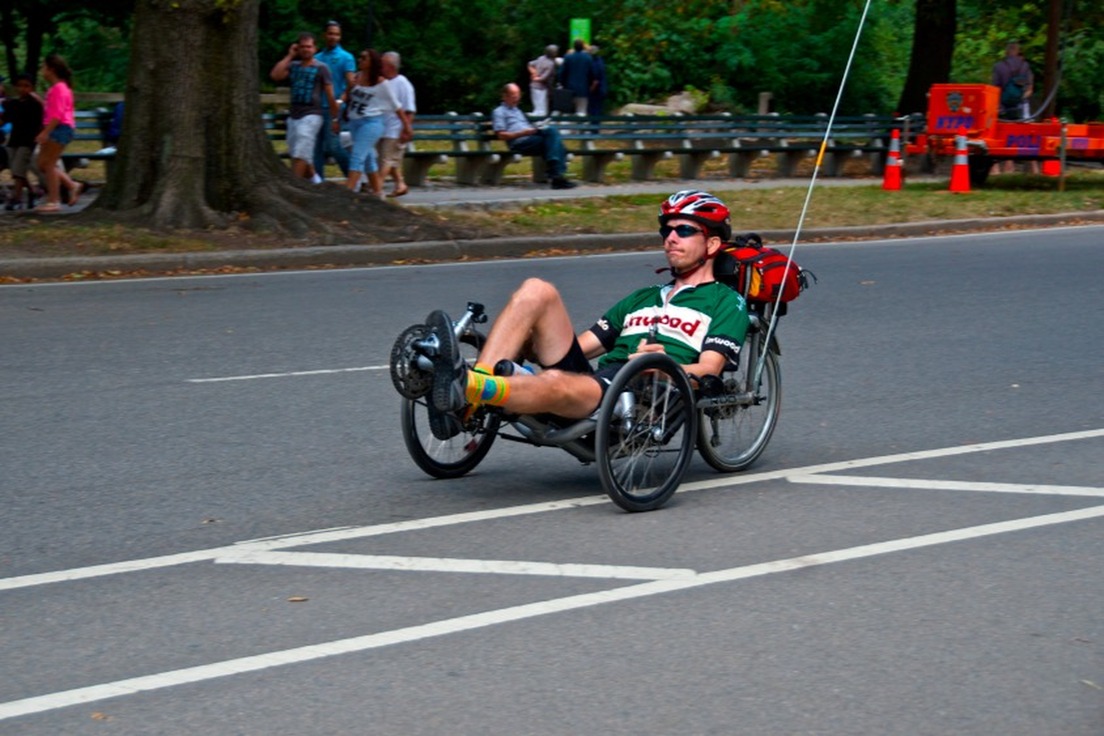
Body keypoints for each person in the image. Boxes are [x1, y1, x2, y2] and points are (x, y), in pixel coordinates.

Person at [417, 190, 750, 440]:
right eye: (667, 231)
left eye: (685, 230)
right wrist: (527, 340)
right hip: (598, 382)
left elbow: (708, 371)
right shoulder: (643, 298)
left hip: (637, 394)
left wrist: (665, 367)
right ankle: (470, 397)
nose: (671, 238)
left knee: (553, 382)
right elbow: (582, 347)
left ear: (711, 245)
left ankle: (470, 384)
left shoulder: (726, 301)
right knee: (537, 289)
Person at [269, 32, 339, 182]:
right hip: (294, 115)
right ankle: (316, 182)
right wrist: (289, 56)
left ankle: (293, 184)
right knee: (298, 153)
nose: (306, 49)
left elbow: (330, 95)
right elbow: (275, 75)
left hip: (312, 115)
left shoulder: (322, 68)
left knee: (301, 150)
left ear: (315, 48)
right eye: (302, 47)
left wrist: (334, 118)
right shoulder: (293, 66)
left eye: (309, 46)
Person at [344, 48, 407, 197]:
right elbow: (347, 95)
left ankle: (346, 194)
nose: (360, 60)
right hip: (355, 122)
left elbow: (396, 106)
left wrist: (407, 126)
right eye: (360, 57)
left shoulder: (381, 83)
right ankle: (378, 193)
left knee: (357, 156)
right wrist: (345, 94)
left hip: (371, 123)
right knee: (368, 159)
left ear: (372, 63)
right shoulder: (357, 77)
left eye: (363, 58)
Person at [491, 82, 575, 189]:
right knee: (555, 143)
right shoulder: (499, 112)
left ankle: (556, 176)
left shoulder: (518, 111)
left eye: (518, 95)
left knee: (551, 131)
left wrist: (535, 128)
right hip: (519, 142)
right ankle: (557, 176)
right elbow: (501, 135)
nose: (516, 98)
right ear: (504, 96)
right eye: (513, 96)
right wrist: (522, 133)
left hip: (531, 138)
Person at [34, 54, 83, 212]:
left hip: (60, 129)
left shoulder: (60, 89)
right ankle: (72, 185)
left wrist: (45, 133)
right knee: (43, 163)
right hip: (57, 128)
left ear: (51, 69)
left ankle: (54, 201)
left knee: (48, 164)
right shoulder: (57, 89)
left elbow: (58, 115)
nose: (42, 70)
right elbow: (52, 110)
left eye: (43, 67)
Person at [313, 20, 355, 179]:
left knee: (333, 145)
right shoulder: (317, 57)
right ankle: (318, 183)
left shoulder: (346, 57)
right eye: (330, 33)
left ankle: (353, 177)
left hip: (334, 107)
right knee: (316, 148)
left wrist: (341, 101)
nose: (333, 37)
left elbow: (350, 82)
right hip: (316, 107)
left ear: (340, 36)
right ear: (325, 35)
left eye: (336, 34)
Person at [2, 73, 45, 211]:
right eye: (20, 86)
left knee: (18, 169)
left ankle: (17, 198)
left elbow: (45, 116)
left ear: (32, 87)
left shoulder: (35, 104)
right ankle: (32, 192)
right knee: (16, 170)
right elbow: (5, 119)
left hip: (28, 142)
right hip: (14, 140)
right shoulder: (13, 104)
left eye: (26, 86)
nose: (22, 89)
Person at [378, 51, 416, 197]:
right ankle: (400, 184)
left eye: (382, 65)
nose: (380, 67)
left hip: (395, 128)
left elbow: (409, 110)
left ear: (390, 66)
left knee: (386, 160)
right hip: (382, 127)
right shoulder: (383, 82)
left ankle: (377, 187)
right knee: (391, 159)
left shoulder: (403, 84)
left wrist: (406, 129)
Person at [992, 41, 1033, 121]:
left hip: (1003, 110)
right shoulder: (1025, 66)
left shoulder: (998, 66)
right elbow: (1029, 89)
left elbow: (995, 90)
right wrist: (1019, 98)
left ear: (1006, 52)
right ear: (1018, 51)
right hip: (1021, 110)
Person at [558, 39, 595, 116]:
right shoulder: (588, 58)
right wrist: (590, 84)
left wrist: (562, 83)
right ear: (583, 47)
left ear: (574, 47)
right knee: (581, 111)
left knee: (567, 111)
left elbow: (561, 72)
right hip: (583, 87)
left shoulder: (568, 57)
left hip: (569, 87)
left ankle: (566, 127)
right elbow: (591, 73)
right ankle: (581, 126)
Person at [527, 45, 558, 117]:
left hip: (534, 85)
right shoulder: (551, 63)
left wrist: (533, 73)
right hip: (542, 87)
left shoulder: (541, 58)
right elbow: (544, 77)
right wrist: (536, 77)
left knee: (537, 107)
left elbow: (530, 64)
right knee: (542, 110)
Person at [587, 45, 608, 118]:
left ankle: (594, 128)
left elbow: (596, 80)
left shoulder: (594, 62)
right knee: (597, 109)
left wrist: (590, 90)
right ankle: (595, 127)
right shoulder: (600, 60)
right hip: (601, 89)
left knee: (594, 110)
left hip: (596, 90)